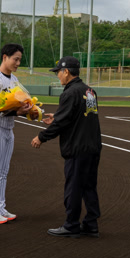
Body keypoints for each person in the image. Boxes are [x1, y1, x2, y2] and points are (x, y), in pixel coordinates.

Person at [31, 56, 102, 238]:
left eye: (59, 72)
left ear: (67, 72)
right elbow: (78, 115)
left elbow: (61, 123)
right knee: (89, 186)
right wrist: (58, 116)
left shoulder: (70, 93)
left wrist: (41, 137)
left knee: (74, 187)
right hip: (93, 146)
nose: (58, 76)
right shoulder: (89, 91)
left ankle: (71, 225)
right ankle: (91, 224)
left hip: (78, 148)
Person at [0, 43, 37, 224]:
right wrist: (17, 112)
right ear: (5, 57)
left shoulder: (13, 79)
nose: (18, 63)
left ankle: (0, 207)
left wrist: (29, 110)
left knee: (4, 170)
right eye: (16, 59)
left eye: (20, 60)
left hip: (8, 128)